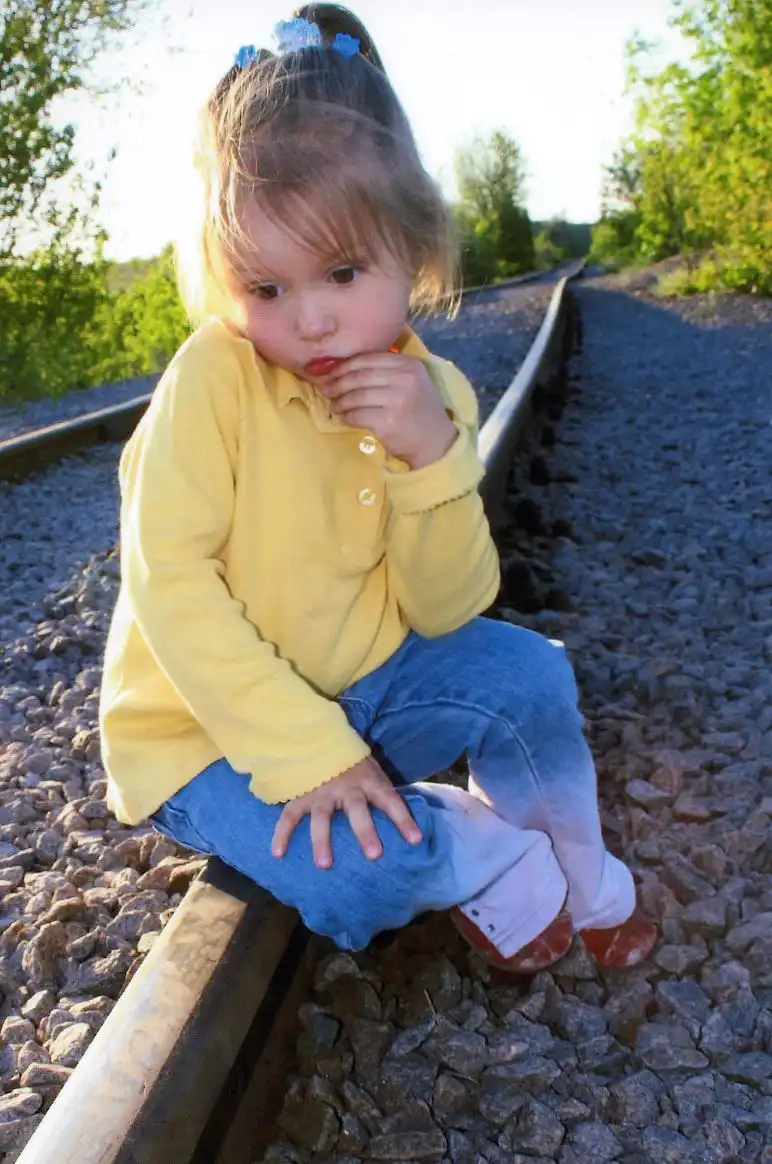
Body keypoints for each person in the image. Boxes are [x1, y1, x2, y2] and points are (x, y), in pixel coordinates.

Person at [98, 4, 657, 973]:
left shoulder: (433, 391)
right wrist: (311, 754)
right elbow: (171, 587)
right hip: (202, 735)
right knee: (362, 879)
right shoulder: (214, 381)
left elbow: (447, 607)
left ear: (413, 245)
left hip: (365, 683)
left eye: (342, 271)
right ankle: (482, 850)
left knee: (531, 673)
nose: (310, 319)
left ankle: (575, 867)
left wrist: (428, 456)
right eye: (265, 288)